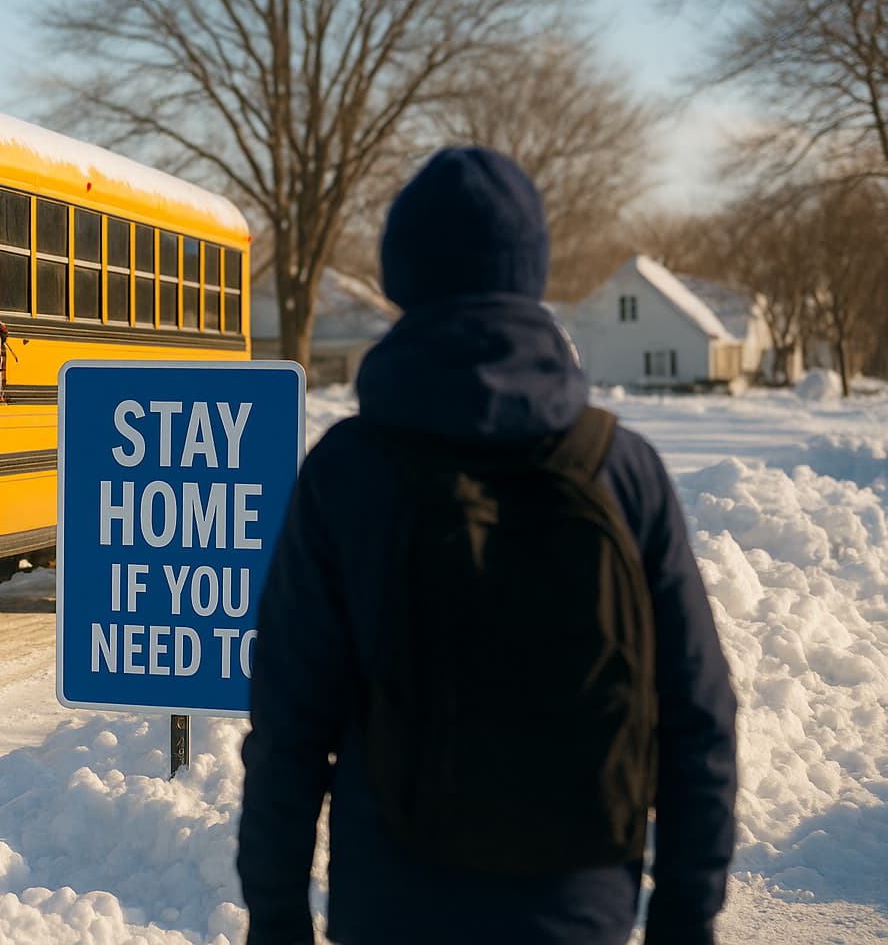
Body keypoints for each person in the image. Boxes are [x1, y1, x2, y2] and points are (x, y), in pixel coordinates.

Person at [237, 146, 738, 945]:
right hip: (577, 907)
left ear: (402, 276)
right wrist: (685, 913)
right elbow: (697, 715)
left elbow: (290, 726)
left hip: (394, 907)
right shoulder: (622, 470)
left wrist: (276, 913)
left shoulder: (347, 472)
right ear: (531, 273)